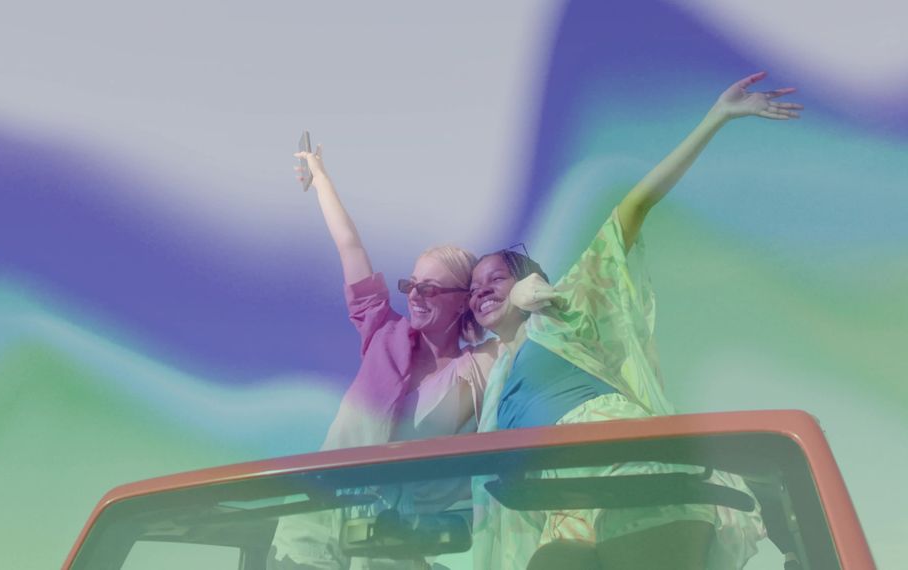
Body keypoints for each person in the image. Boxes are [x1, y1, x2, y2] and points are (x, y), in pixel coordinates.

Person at [469, 72, 801, 570]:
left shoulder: (563, 314)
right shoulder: (495, 379)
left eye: (495, 280)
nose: (481, 293)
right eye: (473, 289)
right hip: (570, 502)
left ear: (529, 280)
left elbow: (634, 206)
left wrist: (717, 117)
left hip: (632, 471)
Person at [268, 144, 499, 569]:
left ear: (462, 302)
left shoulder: (477, 369)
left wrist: (509, 292)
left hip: (386, 544)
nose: (415, 296)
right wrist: (320, 178)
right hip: (314, 526)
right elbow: (350, 247)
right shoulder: (384, 331)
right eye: (411, 284)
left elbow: (528, 330)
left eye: (430, 289)